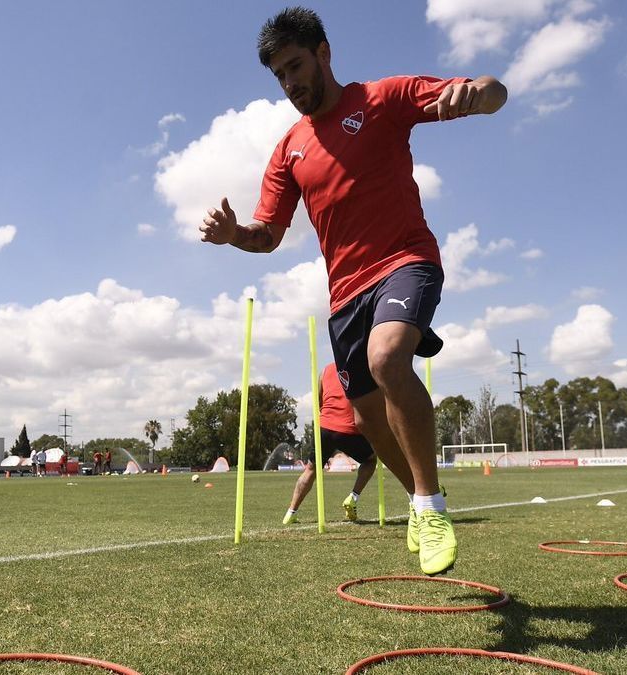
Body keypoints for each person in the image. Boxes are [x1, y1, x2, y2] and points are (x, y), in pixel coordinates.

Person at [199, 7, 505, 575]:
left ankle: (432, 508)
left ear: (324, 53)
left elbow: (492, 89)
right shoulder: (289, 148)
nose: (291, 83)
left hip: (406, 261)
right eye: (279, 76)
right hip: (344, 296)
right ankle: (418, 500)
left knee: (388, 358)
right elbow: (267, 235)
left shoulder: (382, 99)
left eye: (296, 66)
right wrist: (231, 235)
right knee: (365, 420)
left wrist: (476, 97)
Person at [284, 362, 377, 525]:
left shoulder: (326, 370)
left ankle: (291, 513)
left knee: (310, 470)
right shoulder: (362, 366)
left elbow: (320, 400)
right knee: (370, 460)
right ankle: (353, 498)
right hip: (349, 428)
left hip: (325, 426)